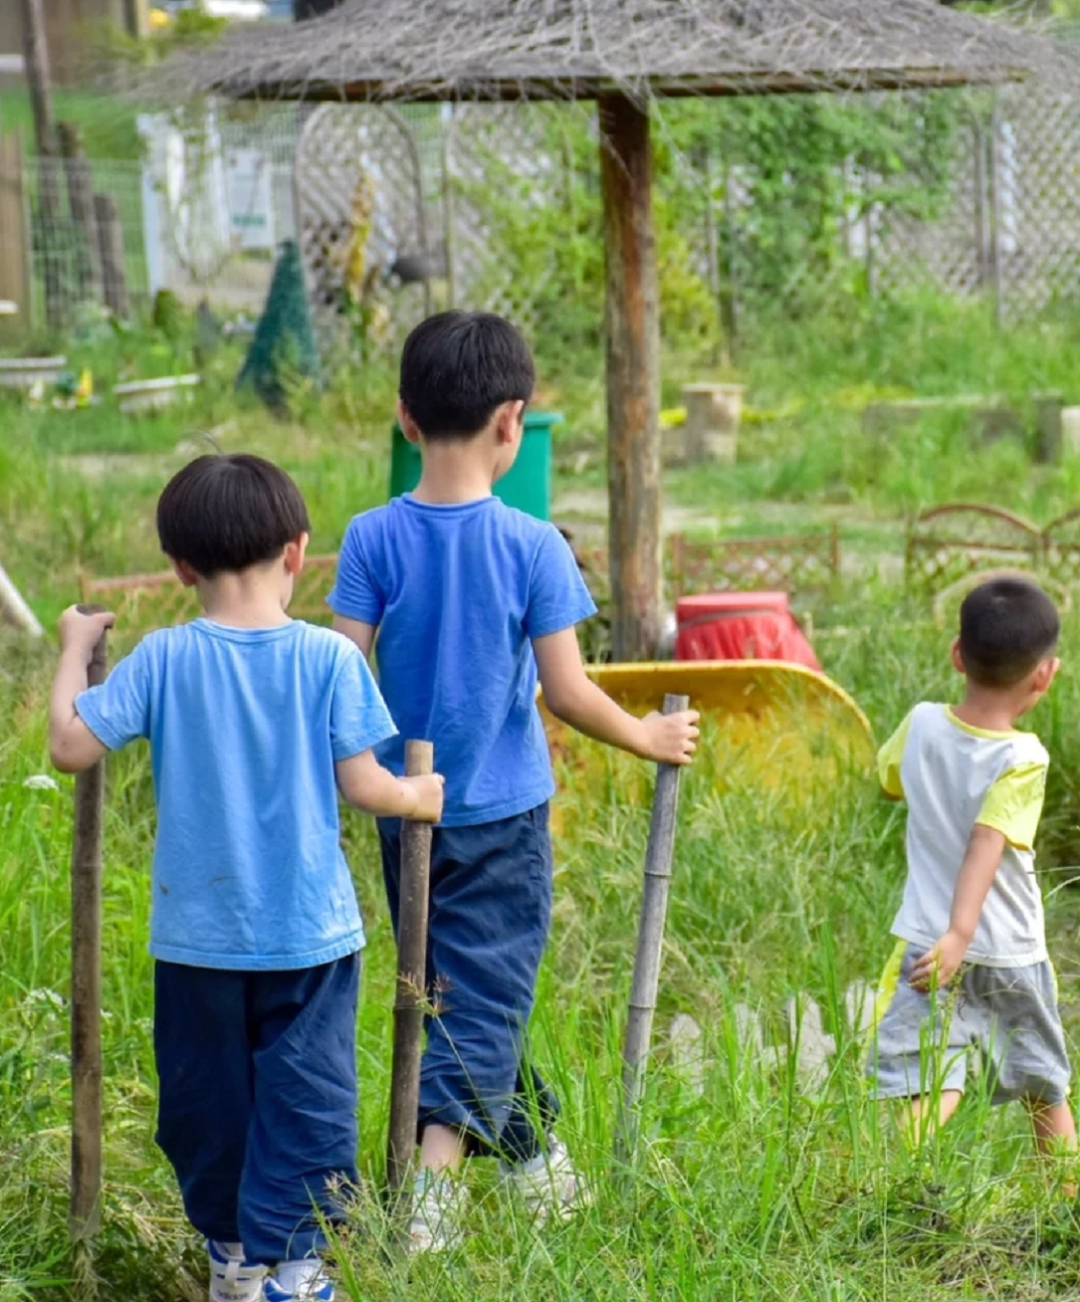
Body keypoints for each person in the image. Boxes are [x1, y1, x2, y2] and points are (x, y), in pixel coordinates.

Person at [328, 310, 700, 1253]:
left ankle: (541, 1172)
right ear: (513, 421)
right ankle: (433, 1201)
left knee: (458, 992)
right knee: (480, 997)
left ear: (406, 420)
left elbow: (341, 672)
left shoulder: (370, 538)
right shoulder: (534, 545)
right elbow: (569, 693)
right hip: (499, 821)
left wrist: (358, 770)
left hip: (401, 815)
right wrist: (650, 738)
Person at [49, 454, 444, 1302]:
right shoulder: (328, 661)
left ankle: (232, 1256)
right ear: (298, 552)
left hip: (198, 941)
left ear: (181, 567)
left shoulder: (160, 659)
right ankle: (299, 1270)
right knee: (306, 1102)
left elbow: (69, 746)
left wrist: (74, 650)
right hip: (309, 936)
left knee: (208, 1107)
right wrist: (417, 793)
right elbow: (366, 786)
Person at [868, 575, 1075, 1172]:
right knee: (1043, 1084)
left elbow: (890, 782)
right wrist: (966, 933)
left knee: (932, 1076)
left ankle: (890, 1187)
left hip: (929, 946)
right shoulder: (1023, 757)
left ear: (958, 654)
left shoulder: (922, 723)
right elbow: (988, 842)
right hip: (1006, 948)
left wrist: (951, 937)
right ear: (1045, 674)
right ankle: (1062, 1206)